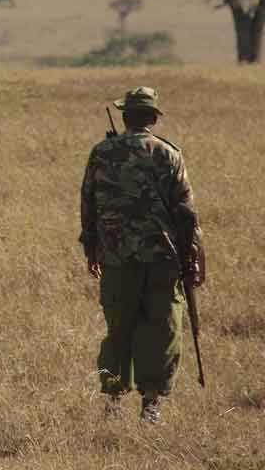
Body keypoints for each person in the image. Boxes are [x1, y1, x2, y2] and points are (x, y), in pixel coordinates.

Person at [80, 86, 204, 425]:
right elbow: (186, 213)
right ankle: (151, 404)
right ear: (153, 118)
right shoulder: (168, 154)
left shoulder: (101, 152)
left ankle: (114, 402)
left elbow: (88, 203)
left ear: (124, 117)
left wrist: (92, 248)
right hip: (162, 257)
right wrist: (192, 258)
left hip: (116, 257)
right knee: (162, 329)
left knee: (118, 327)